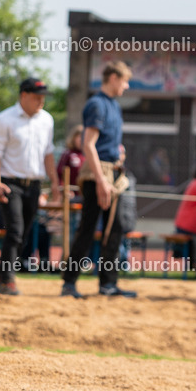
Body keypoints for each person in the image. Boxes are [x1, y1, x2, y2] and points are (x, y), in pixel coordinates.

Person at [62, 61, 136, 298]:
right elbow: (88, 144)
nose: (126, 85)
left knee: (115, 228)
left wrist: (118, 152)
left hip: (114, 171)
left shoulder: (114, 106)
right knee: (88, 228)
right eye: (124, 80)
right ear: (113, 78)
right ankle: (69, 282)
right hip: (98, 173)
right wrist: (101, 180)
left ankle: (108, 284)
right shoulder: (97, 104)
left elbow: (106, 142)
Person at [0, 77, 61, 296]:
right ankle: (8, 279)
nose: (41, 101)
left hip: (35, 185)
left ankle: (1, 274)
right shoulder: (3, 120)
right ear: (23, 96)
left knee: (24, 233)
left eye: (43, 97)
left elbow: (48, 154)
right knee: (16, 230)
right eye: (37, 97)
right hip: (11, 184)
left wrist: (55, 183)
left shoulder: (47, 120)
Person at [57, 125, 86, 196]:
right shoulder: (68, 154)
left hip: (85, 194)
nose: (81, 140)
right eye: (79, 137)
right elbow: (59, 174)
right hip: (72, 195)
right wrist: (65, 190)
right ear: (74, 138)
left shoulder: (87, 155)